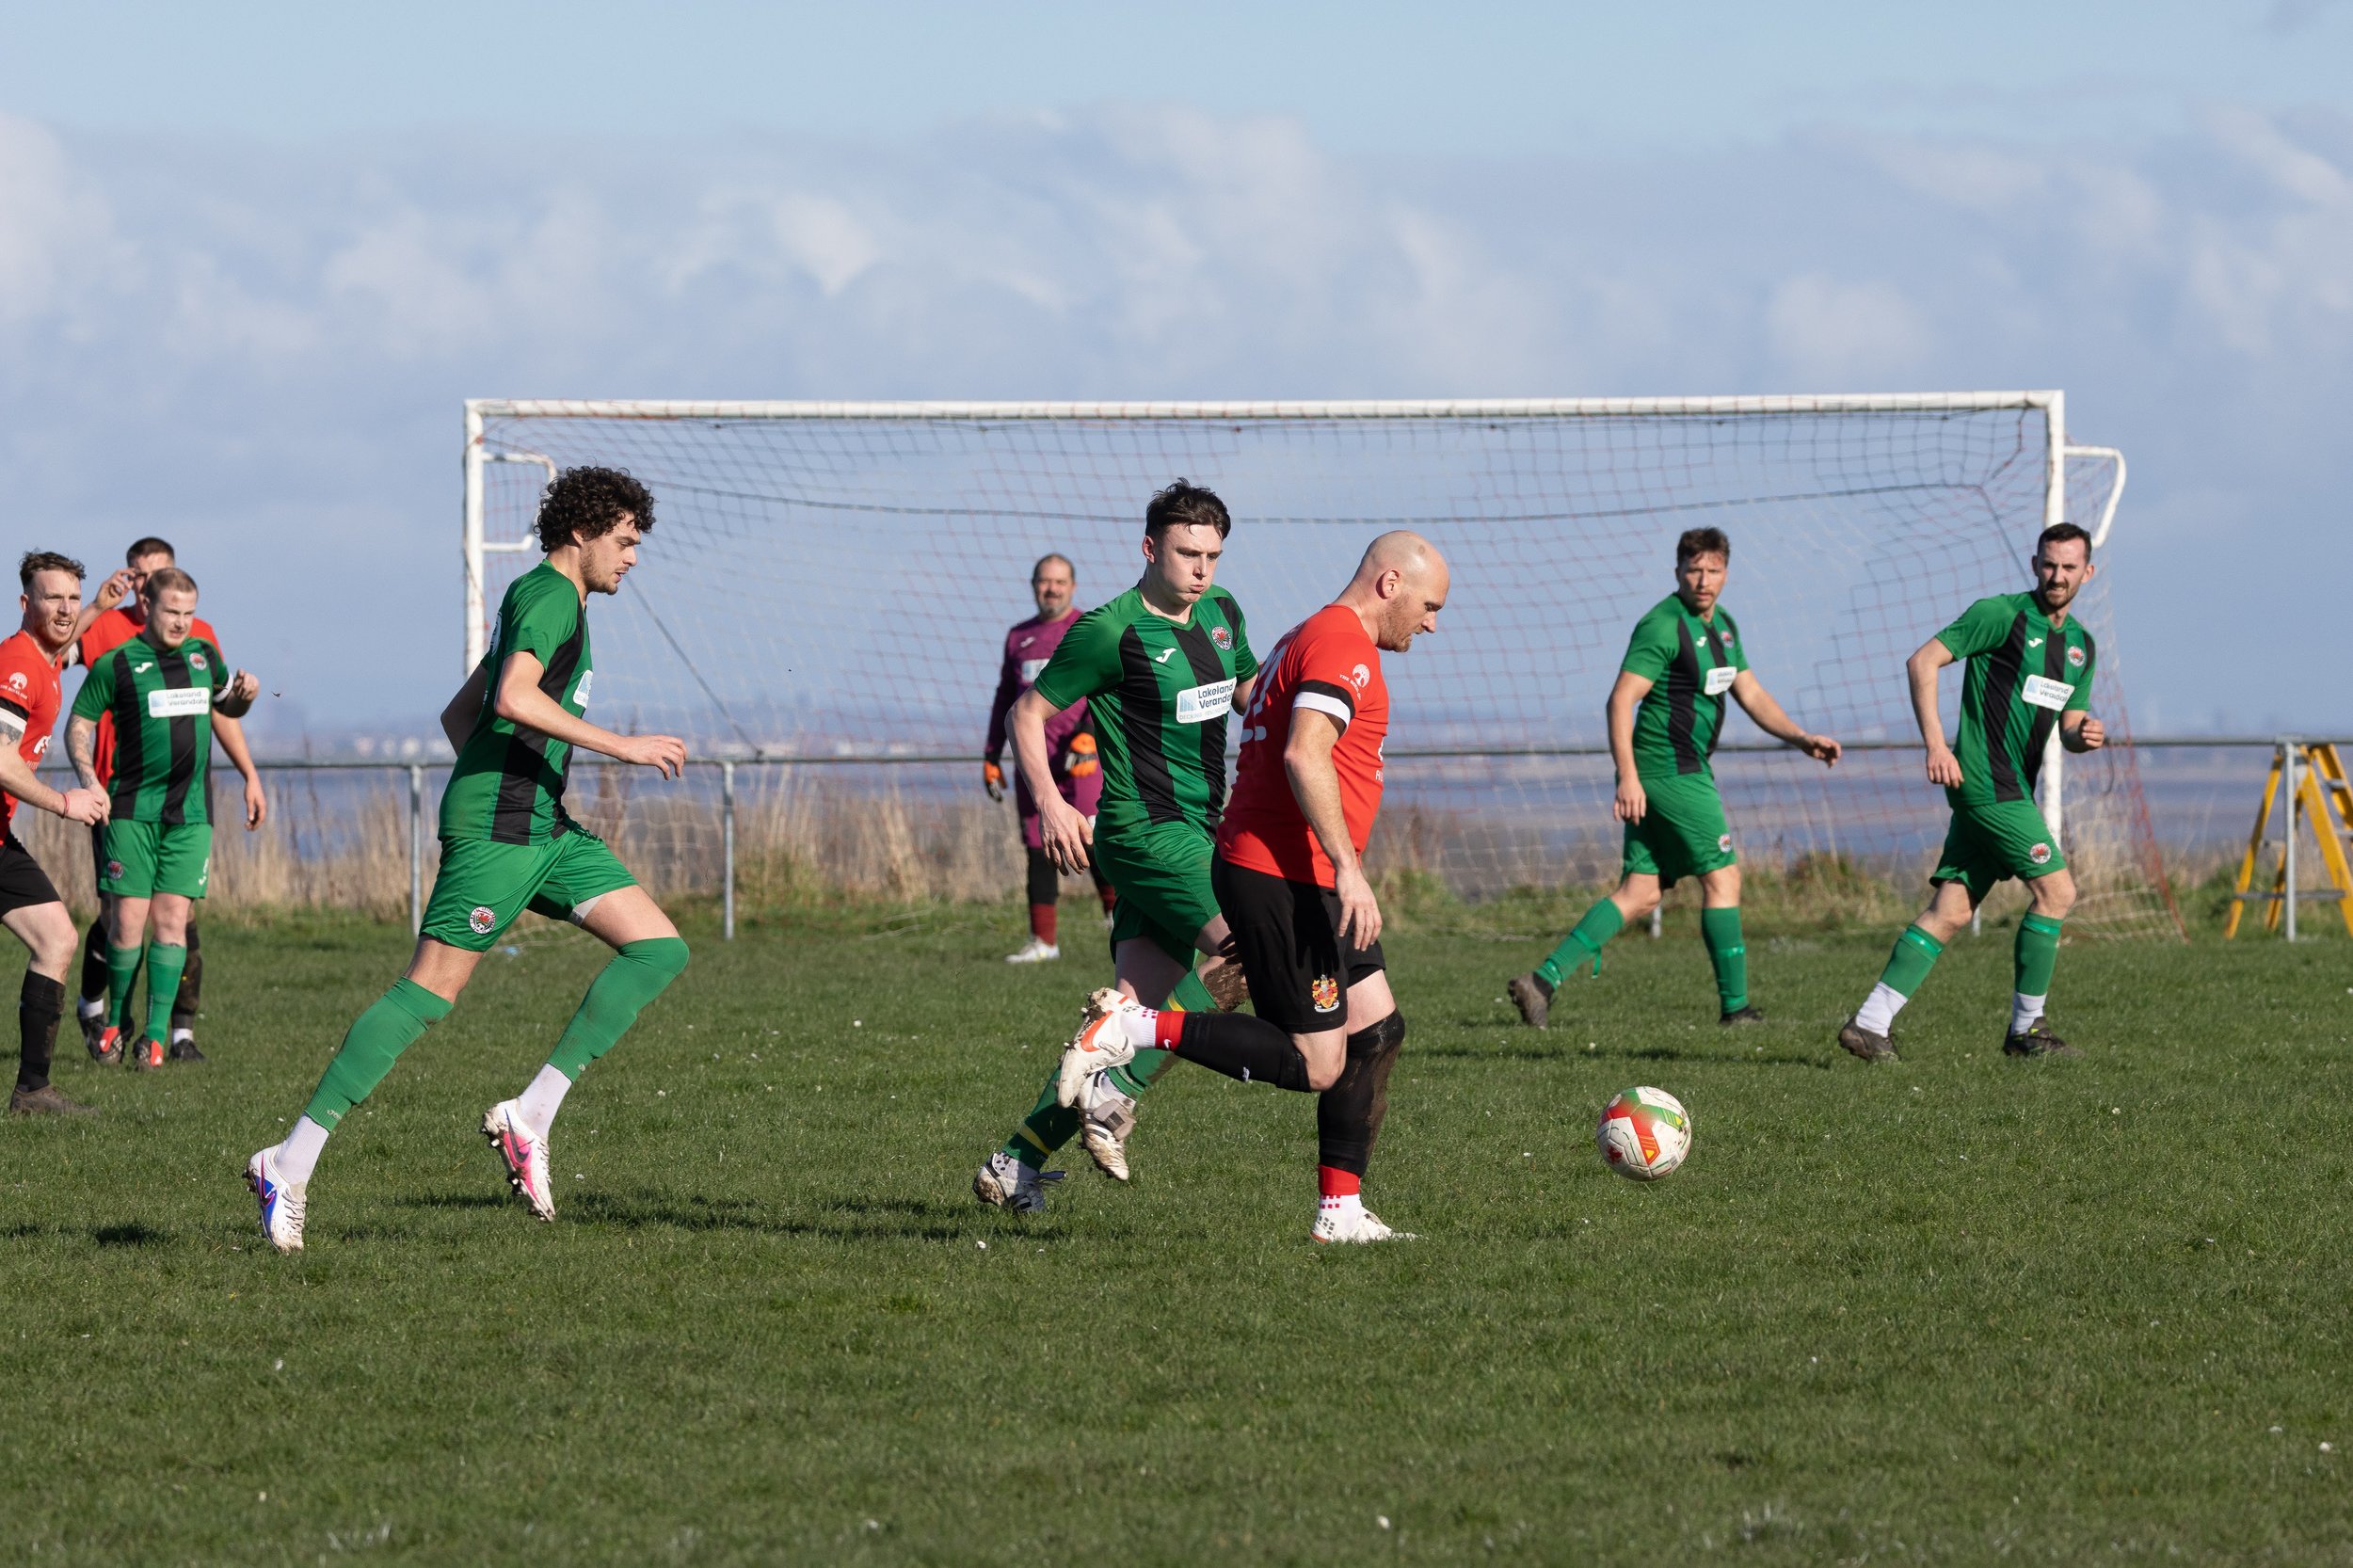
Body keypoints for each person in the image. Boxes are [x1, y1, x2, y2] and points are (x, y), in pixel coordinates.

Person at [246, 467, 692, 1254]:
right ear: (581, 533)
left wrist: (503, 775)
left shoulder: (552, 598)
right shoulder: (551, 596)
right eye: (623, 542)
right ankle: (287, 1162)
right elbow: (516, 698)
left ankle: (529, 1117)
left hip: (539, 826)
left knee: (658, 947)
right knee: (428, 994)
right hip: (501, 830)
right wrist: (620, 746)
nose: (632, 558)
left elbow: (465, 713)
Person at [1053, 531, 1449, 1242]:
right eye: (1428, 604)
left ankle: (1341, 1212)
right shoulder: (1341, 645)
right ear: (1390, 584)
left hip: (1303, 873)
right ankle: (1130, 1028)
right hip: (1283, 875)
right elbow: (1303, 753)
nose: (1431, 621)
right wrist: (1350, 870)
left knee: (1378, 1028)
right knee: (1318, 1062)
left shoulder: (1311, 635)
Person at [970, 481, 1257, 1211]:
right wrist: (1052, 801)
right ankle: (1114, 1100)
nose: (1201, 570)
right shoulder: (1110, 630)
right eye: (1187, 553)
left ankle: (1016, 1162)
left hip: (1200, 832)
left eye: (1213, 556)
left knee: (1133, 1014)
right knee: (1249, 956)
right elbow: (1026, 714)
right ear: (1150, 548)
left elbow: (1251, 691)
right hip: (1141, 833)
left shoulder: (1222, 615)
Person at [1506, 528, 1840, 1029]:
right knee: (1724, 876)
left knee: (1640, 891)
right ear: (1678, 571)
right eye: (1694, 570)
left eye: (1713, 570)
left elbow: (1749, 691)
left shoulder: (1724, 626)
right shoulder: (1662, 626)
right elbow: (1621, 700)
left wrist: (1799, 737)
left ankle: (1542, 981)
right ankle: (1736, 1010)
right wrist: (1628, 778)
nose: (1703, 580)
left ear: (1726, 572)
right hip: (1671, 771)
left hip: (1676, 770)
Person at [1838, 522, 2105, 1063]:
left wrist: (2084, 735)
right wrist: (1937, 745)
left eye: (2069, 567)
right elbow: (1922, 661)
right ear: (2035, 565)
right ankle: (2027, 1030)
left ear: (2087, 573)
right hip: (1986, 782)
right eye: (2049, 565)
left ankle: (1869, 1023)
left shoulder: (2080, 647)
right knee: (2058, 893)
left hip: (2007, 788)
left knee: (1952, 911)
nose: (2058, 576)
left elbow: (2070, 726)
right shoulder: (1999, 615)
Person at [66, 568, 265, 1072]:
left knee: (173, 921)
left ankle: (154, 1039)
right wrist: (89, 777)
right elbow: (80, 722)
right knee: (127, 922)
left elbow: (228, 708)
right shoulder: (117, 664)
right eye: (171, 611)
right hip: (130, 812)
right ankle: (117, 1021)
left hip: (190, 818)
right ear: (147, 607)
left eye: (188, 612)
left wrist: (245, 694)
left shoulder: (204, 657)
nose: (180, 621)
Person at [3, 553, 113, 1114]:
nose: (65, 609)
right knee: (58, 940)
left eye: (73, 597)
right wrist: (63, 802)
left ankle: (32, 1091)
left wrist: (97, 606)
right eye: (53, 598)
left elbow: (65, 646)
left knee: (58, 940)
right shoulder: (19, 666)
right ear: (26, 604)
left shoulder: (46, 658)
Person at [983, 552, 1113, 962]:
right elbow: (1006, 699)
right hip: (1033, 764)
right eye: (1044, 581)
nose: (1051, 588)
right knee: (1038, 846)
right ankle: (1044, 942)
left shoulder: (1089, 628)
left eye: (1060, 581)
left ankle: (1119, 918)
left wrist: (1089, 735)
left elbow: (1109, 686)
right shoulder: (1016, 637)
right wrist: (992, 755)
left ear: (1072, 587)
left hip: (1083, 760)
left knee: (1095, 840)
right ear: (1034, 585)